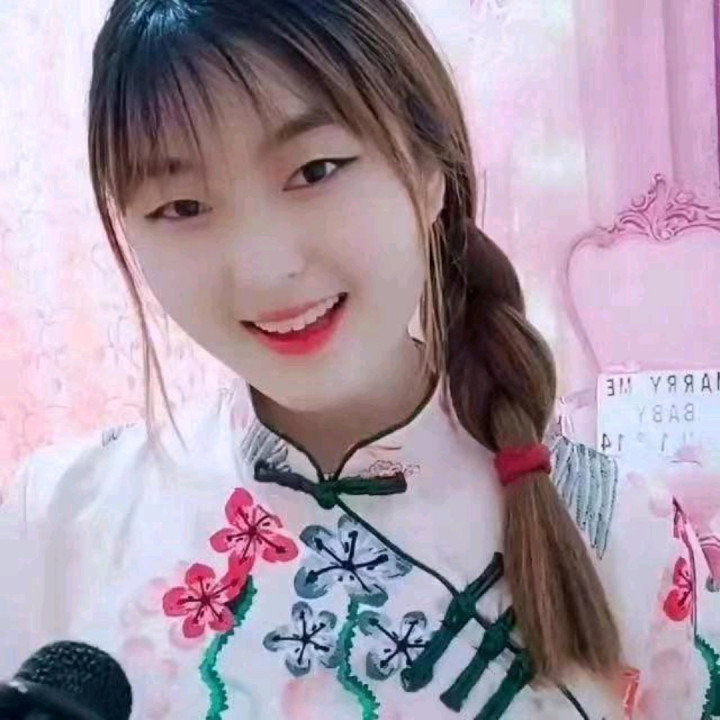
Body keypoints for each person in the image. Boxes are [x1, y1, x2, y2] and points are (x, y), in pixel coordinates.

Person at [4, 0, 719, 718]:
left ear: (430, 170)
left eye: (315, 170)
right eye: (183, 208)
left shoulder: (624, 531)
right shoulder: (59, 522)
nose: (264, 270)